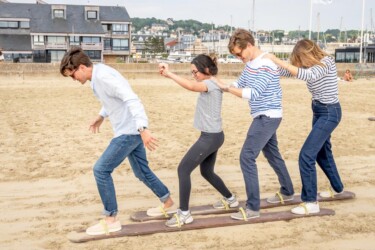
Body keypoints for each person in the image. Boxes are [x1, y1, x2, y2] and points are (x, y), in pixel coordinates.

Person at [59, 47, 175, 235]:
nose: (73, 80)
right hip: (129, 129)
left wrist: (143, 129)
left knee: (101, 170)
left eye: (72, 76)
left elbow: (131, 98)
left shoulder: (103, 77)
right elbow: (113, 100)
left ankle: (111, 219)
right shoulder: (97, 75)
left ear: (81, 67)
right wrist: (101, 116)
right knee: (141, 172)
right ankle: (167, 202)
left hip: (129, 131)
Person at [215, 29, 294, 221]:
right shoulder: (251, 63)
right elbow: (239, 83)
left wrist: (227, 88)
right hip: (263, 116)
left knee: (246, 157)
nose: (238, 57)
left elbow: (252, 93)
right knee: (272, 153)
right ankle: (287, 191)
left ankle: (252, 208)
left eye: (239, 53)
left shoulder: (266, 64)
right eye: (234, 55)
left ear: (249, 46)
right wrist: (217, 83)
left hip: (268, 116)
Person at [265, 39, 345, 215]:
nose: (301, 64)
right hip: (318, 111)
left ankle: (310, 202)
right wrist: (265, 64)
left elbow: (307, 75)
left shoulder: (326, 63)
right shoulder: (308, 67)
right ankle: (338, 188)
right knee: (323, 153)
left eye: (301, 60)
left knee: (306, 155)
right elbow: (288, 71)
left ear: (308, 53)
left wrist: (277, 60)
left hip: (330, 113)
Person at [158, 54, 239, 227]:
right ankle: (231, 199)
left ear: (206, 70)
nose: (193, 75)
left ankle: (185, 214)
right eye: (192, 72)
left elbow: (191, 86)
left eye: (195, 72)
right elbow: (194, 83)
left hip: (210, 137)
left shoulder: (210, 83)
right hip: (214, 136)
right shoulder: (213, 82)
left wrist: (169, 74)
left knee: (183, 170)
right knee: (207, 172)